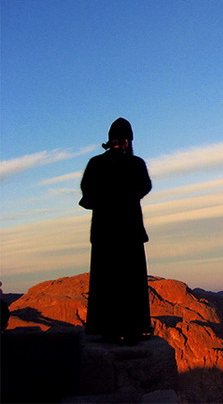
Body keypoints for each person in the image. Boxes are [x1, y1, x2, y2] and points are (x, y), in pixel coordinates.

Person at [80, 118, 152, 344]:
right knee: (131, 281)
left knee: (106, 281)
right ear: (129, 140)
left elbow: (87, 192)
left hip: (104, 231)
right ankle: (133, 329)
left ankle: (107, 329)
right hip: (129, 230)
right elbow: (144, 187)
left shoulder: (95, 163)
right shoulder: (136, 163)